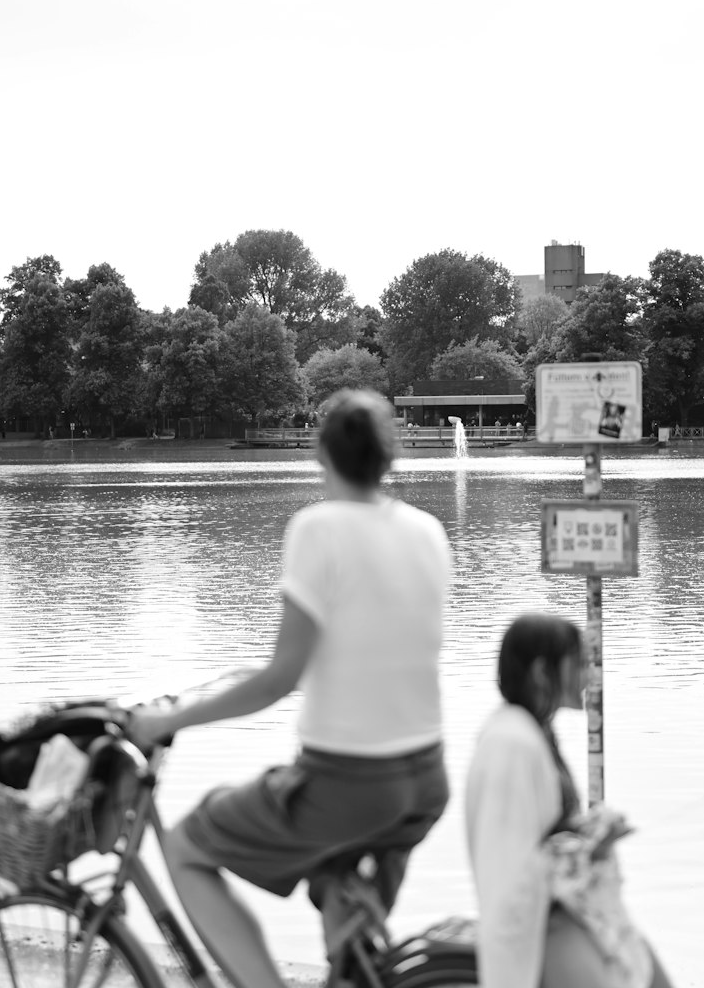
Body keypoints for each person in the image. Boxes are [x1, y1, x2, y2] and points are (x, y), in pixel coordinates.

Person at [128, 388, 453, 988]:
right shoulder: (427, 532)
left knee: (185, 848)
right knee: (345, 934)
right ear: (390, 459)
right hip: (426, 781)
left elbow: (281, 677)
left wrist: (168, 720)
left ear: (321, 456)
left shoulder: (318, 530)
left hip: (349, 782)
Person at [465, 614, 674, 988]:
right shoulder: (511, 745)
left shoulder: (532, 731)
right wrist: (586, 848)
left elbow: (542, 834)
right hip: (547, 926)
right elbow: (511, 867)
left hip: (568, 912)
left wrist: (584, 833)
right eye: (578, 664)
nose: (588, 676)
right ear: (542, 672)